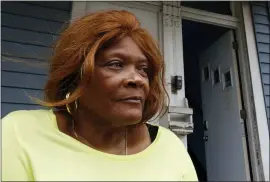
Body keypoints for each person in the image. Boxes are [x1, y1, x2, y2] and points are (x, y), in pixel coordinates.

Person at [2, 10, 198, 181]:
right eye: (116, 64)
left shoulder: (169, 147)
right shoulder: (20, 133)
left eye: (143, 69)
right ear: (74, 75)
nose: (137, 79)